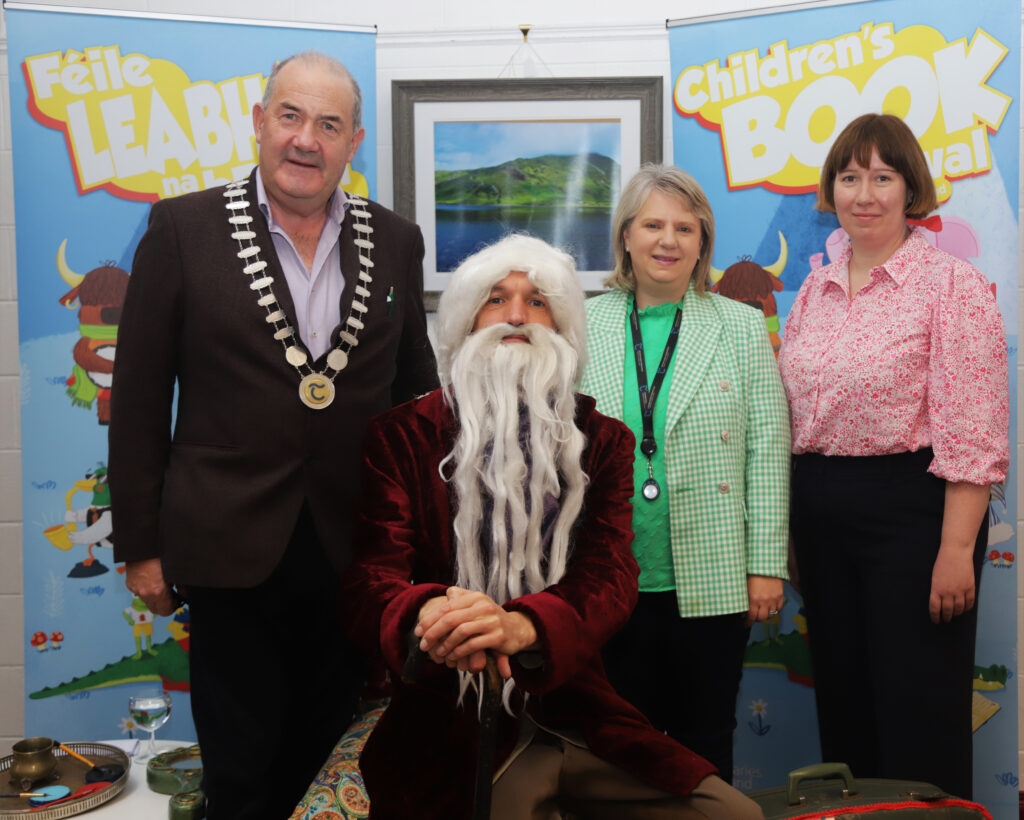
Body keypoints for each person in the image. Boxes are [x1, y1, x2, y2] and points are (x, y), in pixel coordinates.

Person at [108, 51, 437, 819]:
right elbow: (140, 397)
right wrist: (142, 545)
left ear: (353, 142)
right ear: (260, 123)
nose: (305, 140)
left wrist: (421, 536)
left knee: (336, 764)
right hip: (227, 548)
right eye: (290, 116)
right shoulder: (181, 228)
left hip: (354, 547)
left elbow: (413, 395)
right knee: (242, 770)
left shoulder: (394, 240)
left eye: (328, 125)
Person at [340, 234, 764, 819]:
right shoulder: (400, 435)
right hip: (448, 725)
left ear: (563, 326)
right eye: (496, 298)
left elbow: (609, 576)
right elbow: (370, 582)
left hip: (575, 712)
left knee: (733, 814)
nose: (516, 315)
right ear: (464, 321)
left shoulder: (604, 442)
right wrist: (432, 614)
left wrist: (523, 628)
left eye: (538, 301)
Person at [777, 113, 1008, 797]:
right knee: (845, 710)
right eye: (850, 177)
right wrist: (791, 531)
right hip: (820, 517)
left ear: (911, 189)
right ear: (831, 190)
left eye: (883, 176)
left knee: (919, 717)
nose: (864, 194)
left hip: (914, 518)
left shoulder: (951, 286)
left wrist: (955, 549)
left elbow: (972, 427)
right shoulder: (814, 290)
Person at [580, 164, 790, 782]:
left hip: (714, 577)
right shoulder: (581, 324)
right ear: (625, 235)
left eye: (685, 228)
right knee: (615, 747)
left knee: (704, 743)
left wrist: (765, 565)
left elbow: (768, 449)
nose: (667, 240)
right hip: (606, 578)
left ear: (702, 243)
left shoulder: (741, 326)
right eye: (652, 225)